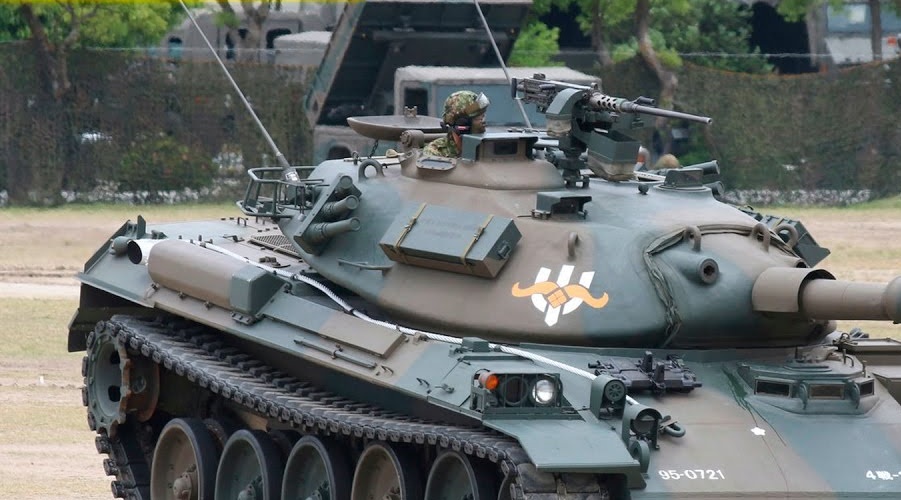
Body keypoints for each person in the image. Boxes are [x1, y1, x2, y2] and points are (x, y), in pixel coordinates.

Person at [422, 90, 490, 157]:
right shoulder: (435, 152)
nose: (483, 122)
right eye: (478, 118)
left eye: (483, 116)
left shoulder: (488, 149)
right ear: (462, 124)